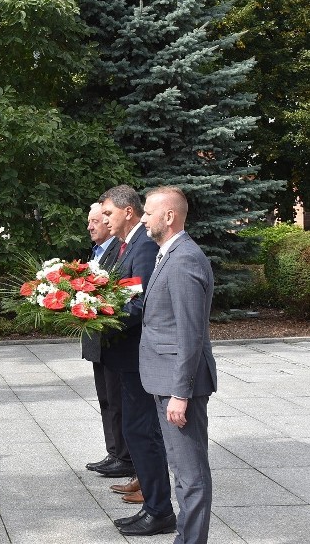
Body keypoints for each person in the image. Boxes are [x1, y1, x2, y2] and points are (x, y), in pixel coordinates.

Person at [140, 186, 217, 544]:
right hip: (164, 379)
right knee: (182, 471)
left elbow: (191, 334)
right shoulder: (169, 253)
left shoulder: (184, 258)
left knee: (191, 475)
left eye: (147, 212)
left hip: (177, 384)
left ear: (168, 217)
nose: (142, 218)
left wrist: (180, 394)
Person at [98, 185, 175, 537]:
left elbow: (140, 303)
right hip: (125, 355)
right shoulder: (127, 244)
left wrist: (98, 313)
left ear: (127, 212)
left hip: (137, 355)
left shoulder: (142, 245)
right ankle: (153, 502)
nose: (103, 220)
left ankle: (158, 509)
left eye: (109, 214)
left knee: (142, 432)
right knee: (136, 429)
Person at [81, 203, 130, 483]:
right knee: (105, 399)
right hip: (98, 340)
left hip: (114, 339)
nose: (90, 226)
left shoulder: (118, 249)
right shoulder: (96, 251)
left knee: (117, 400)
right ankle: (114, 452)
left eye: (96, 220)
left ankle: (122, 455)